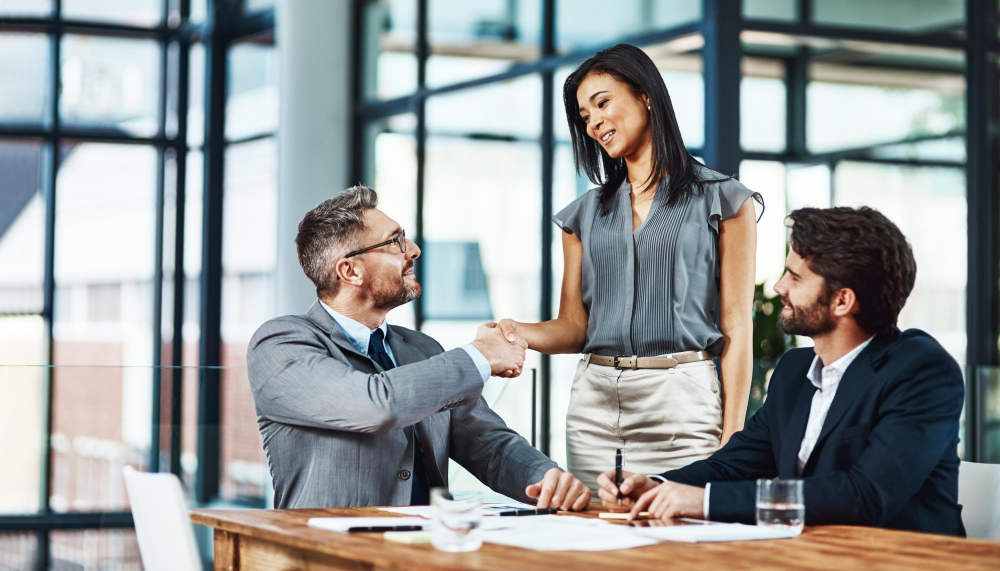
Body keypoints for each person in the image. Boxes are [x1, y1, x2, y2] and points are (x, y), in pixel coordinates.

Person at [596, 206, 966, 537]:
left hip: (902, 561)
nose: (779, 287)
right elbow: (734, 465)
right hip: (806, 556)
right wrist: (655, 485)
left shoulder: (921, 372)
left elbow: (864, 495)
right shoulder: (794, 371)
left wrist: (704, 502)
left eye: (796, 277)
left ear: (842, 300)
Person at [493, 43, 762, 491]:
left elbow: (737, 324)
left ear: (645, 95)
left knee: (682, 545)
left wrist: (732, 435)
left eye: (602, 103)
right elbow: (574, 326)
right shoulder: (581, 215)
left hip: (682, 404)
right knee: (593, 544)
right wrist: (513, 331)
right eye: (584, 116)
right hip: (594, 408)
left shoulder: (726, 200)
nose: (594, 122)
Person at [246, 185, 591, 510]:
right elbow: (378, 405)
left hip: (429, 547)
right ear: (350, 271)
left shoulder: (422, 348)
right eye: (395, 242)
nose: (413, 250)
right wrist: (481, 355)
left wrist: (546, 479)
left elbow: (490, 446)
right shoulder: (281, 344)